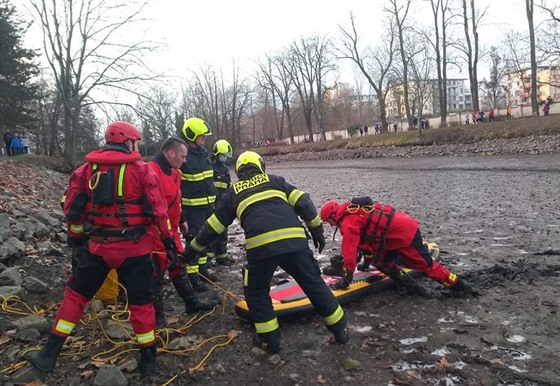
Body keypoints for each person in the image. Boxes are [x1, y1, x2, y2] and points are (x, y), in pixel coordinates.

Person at [25, 121, 177, 376]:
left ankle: (48, 355)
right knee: (141, 304)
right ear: (128, 142)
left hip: (98, 248)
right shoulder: (143, 171)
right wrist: (169, 242)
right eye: (136, 141)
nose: (136, 145)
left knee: (75, 297)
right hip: (135, 250)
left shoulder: (85, 171)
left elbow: (72, 210)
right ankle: (148, 362)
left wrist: (76, 238)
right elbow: (158, 212)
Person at [184, 151, 349, 353]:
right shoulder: (276, 181)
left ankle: (270, 342)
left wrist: (191, 251)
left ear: (239, 172)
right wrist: (316, 230)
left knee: (257, 292)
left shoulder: (233, 192)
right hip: (295, 243)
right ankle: (341, 331)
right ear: (260, 166)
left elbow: (214, 227)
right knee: (314, 284)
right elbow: (304, 202)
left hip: (261, 249)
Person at [319, 198, 474, 295]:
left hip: (405, 235)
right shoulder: (352, 211)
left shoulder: (349, 223)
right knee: (380, 262)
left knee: (426, 266)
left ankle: (461, 286)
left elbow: (350, 253)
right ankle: (413, 288)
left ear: (333, 216)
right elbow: (366, 247)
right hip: (393, 236)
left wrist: (346, 279)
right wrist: (365, 265)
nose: (329, 225)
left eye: (328, 222)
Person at [148, 137, 218, 328]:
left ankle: (191, 302)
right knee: (156, 273)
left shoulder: (175, 173)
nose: (184, 160)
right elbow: (154, 207)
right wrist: (165, 233)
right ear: (170, 153)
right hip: (154, 233)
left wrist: (181, 221)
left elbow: (174, 202)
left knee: (178, 264)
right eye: (182, 156)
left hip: (171, 230)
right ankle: (158, 317)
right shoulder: (150, 171)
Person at [179, 117, 217, 291]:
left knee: (206, 240)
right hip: (192, 209)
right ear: (191, 135)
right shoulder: (184, 156)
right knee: (193, 242)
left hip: (208, 206)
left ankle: (203, 270)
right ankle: (193, 277)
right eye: (202, 136)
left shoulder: (203, 154)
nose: (204, 139)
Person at [208, 139, 233, 267]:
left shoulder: (224, 169)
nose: (225, 158)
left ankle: (222, 256)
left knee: (222, 230)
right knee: (210, 231)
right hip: (210, 204)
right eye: (223, 155)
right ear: (217, 154)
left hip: (222, 204)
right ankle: (208, 259)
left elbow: (228, 187)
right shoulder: (208, 166)